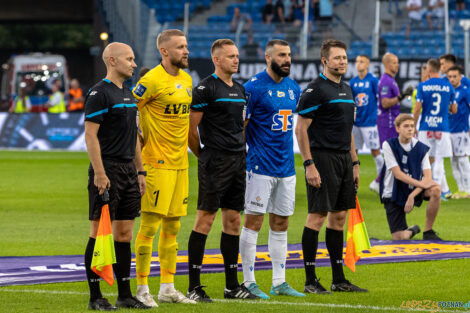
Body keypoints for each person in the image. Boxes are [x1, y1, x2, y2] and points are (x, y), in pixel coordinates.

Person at [187, 39, 259, 302]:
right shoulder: (206, 88)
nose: (236, 60)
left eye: (237, 55)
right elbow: (190, 130)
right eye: (230, 56)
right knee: (205, 220)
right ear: (216, 59)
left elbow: (241, 126)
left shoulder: (240, 89)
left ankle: (231, 286)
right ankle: (194, 286)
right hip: (214, 161)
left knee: (233, 221)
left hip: (238, 160)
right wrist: (203, 155)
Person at [295, 39, 367, 294]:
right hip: (322, 159)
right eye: (337, 58)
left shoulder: (347, 89)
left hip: (344, 161)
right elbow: (300, 129)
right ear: (324, 61)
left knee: (338, 217)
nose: (343, 62)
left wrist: (355, 162)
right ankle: (310, 280)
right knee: (317, 216)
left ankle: (339, 279)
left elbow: (348, 131)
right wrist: (309, 164)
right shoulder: (315, 91)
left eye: (345, 57)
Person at [83, 42, 151, 310]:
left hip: (128, 172)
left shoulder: (128, 93)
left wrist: (140, 171)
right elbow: (90, 135)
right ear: (112, 60)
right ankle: (95, 297)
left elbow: (134, 136)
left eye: (134, 59)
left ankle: (125, 294)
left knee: (124, 233)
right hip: (107, 170)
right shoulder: (99, 93)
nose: (134, 64)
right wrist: (99, 173)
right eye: (129, 59)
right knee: (99, 233)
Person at [132, 29, 195, 307]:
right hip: (155, 164)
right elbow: (127, 111)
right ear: (164, 51)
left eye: (186, 46)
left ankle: (167, 287)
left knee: (173, 227)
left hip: (181, 164)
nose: (186, 51)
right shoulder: (150, 81)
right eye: (180, 47)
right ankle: (142, 288)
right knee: (149, 227)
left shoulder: (187, 79)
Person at [240, 39, 304, 299]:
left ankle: (279, 282)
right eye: (281, 55)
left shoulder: (293, 87)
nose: (287, 59)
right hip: (260, 166)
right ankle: (249, 281)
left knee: (281, 222)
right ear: (268, 57)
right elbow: (241, 128)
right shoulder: (252, 88)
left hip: (286, 167)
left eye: (289, 55)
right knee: (254, 221)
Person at [381, 114, 442, 240]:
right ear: (397, 128)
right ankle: (412, 231)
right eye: (406, 126)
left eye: (412, 126)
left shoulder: (421, 148)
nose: (410, 129)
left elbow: (427, 177)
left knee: (436, 189)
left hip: (413, 189)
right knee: (399, 238)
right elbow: (398, 174)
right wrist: (423, 185)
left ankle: (428, 231)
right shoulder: (388, 145)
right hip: (393, 192)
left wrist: (412, 195)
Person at [413, 58, 457, 206]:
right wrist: (446, 108)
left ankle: (427, 187)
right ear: (439, 69)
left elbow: (418, 108)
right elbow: (454, 109)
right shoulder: (448, 86)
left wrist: (413, 124)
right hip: (442, 127)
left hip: (426, 127)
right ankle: (438, 189)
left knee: (425, 158)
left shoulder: (423, 86)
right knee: (438, 159)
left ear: (429, 70)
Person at [350, 55, 383, 194]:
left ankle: (382, 181)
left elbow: (380, 98)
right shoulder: (353, 82)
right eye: (357, 61)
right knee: (353, 153)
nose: (358, 64)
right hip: (356, 124)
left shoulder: (373, 80)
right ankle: (350, 183)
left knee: (375, 151)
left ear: (368, 64)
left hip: (369, 123)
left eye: (362, 61)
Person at [377, 53, 411, 147]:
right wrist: (401, 97)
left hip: (393, 119)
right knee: (391, 151)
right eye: (394, 62)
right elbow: (385, 103)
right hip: (388, 121)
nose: (397, 65)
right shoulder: (386, 81)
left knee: (395, 152)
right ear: (387, 64)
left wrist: (403, 95)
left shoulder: (391, 79)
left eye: (398, 62)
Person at [446, 66, 470, 199]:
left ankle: (468, 189)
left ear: (460, 77)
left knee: (463, 159)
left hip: (461, 131)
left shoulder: (466, 91)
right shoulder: (447, 91)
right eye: (450, 76)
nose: (452, 79)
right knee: (453, 160)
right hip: (448, 131)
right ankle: (461, 189)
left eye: (455, 76)